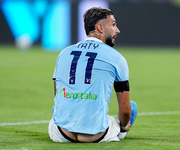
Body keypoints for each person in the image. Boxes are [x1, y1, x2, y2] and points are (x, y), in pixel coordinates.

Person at [48, 7, 137, 143]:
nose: (117, 30)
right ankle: (122, 131)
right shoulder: (117, 58)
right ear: (100, 28)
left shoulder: (64, 53)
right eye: (113, 25)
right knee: (131, 109)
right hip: (96, 135)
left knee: (58, 108)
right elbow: (125, 110)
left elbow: (57, 93)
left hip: (60, 134)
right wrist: (124, 126)